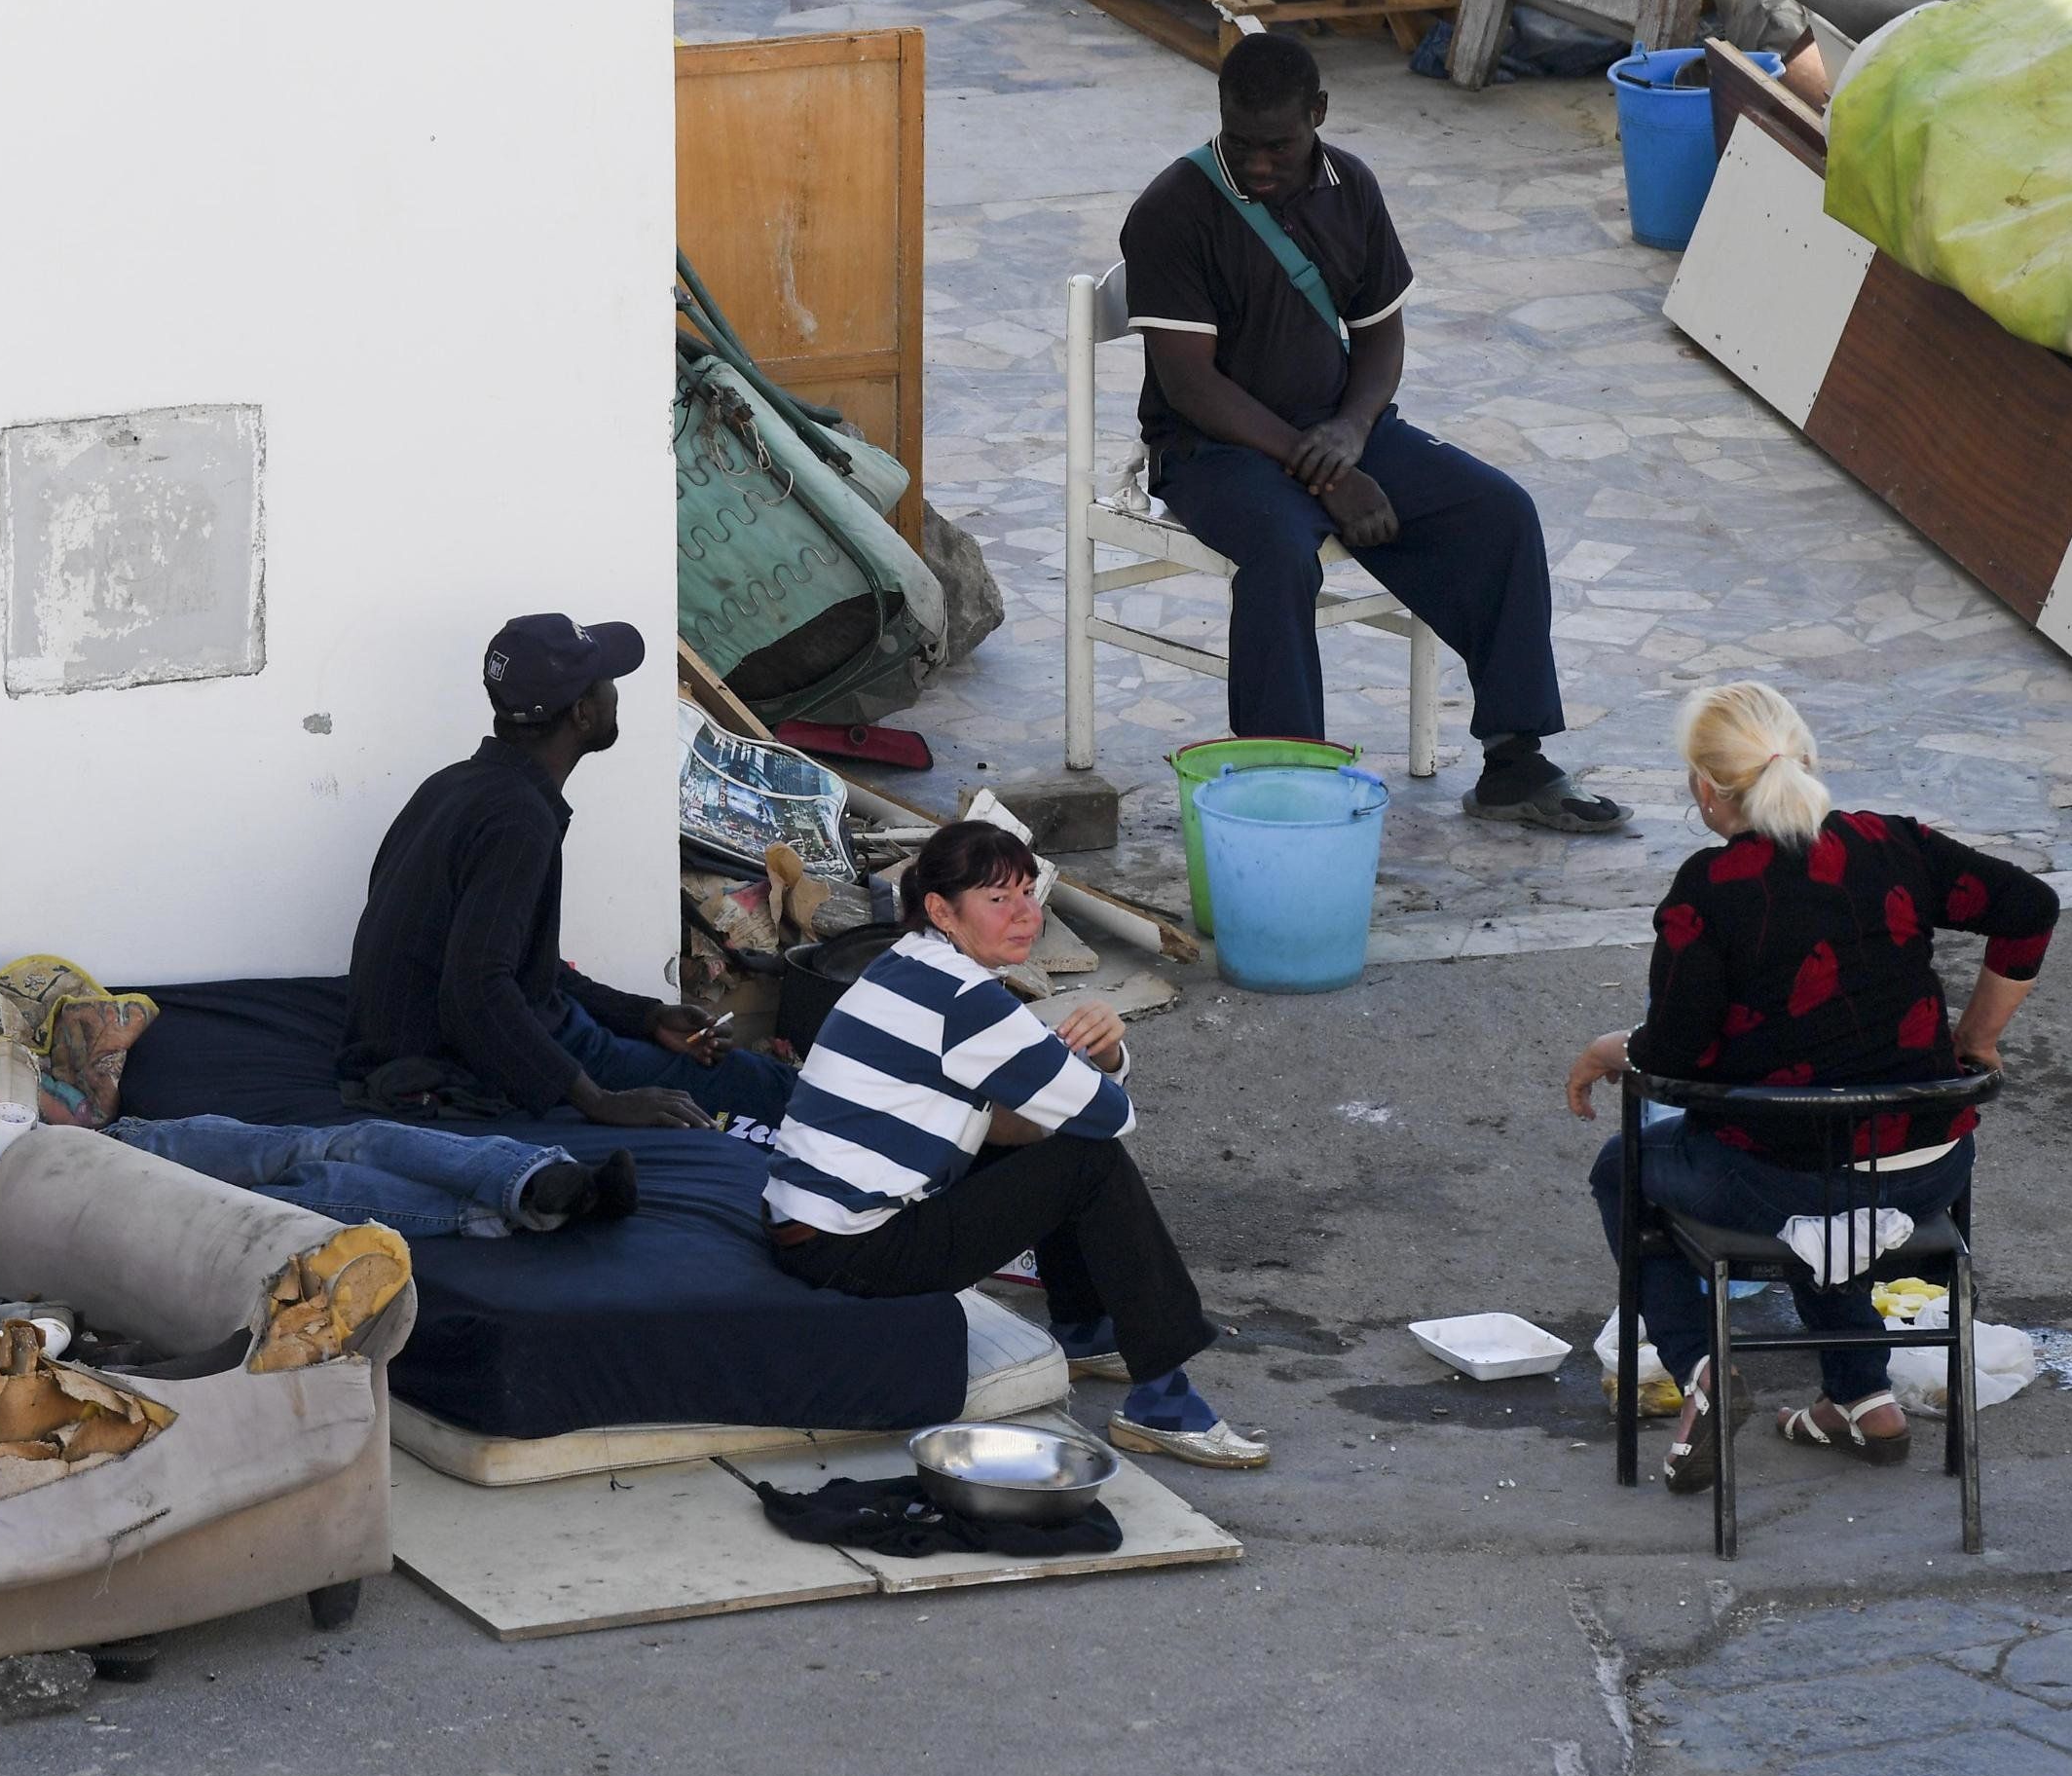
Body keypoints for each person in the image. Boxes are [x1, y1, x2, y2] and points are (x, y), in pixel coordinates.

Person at [1119, 31, 1628, 834]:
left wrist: (1353, 433)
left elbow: (1381, 334)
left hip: (1340, 428)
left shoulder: (1350, 184)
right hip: (1215, 451)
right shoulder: (1171, 211)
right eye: (1239, 142)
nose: (1256, 165)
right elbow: (1191, 385)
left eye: (1277, 146)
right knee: (1281, 554)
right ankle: (1283, 783)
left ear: (1318, 114)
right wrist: (1324, 470)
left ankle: (1513, 759)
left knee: (1499, 512)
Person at [1566, 683, 2055, 1491]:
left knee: (1626, 1168)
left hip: (1782, 1180)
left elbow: (1677, 1058)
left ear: (1703, 787)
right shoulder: (1893, 843)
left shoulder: (1709, 889)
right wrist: (1980, 1037)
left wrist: (1608, 1048)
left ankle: (1703, 1369)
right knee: (1835, 1174)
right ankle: (1863, 1394)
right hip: (1930, 1166)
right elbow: (2030, 905)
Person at [762, 821, 1267, 1469]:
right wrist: (1107, 1049)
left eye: (1029, 893)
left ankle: (1086, 1330)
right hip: (858, 1252)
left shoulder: (904, 964)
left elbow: (1011, 1122)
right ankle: (1162, 1399)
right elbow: (1111, 1116)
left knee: (1057, 1146)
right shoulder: (967, 1001)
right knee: (1089, 1161)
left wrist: (1067, 1073)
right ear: (942, 910)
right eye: (999, 901)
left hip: (808, 1234)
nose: (1027, 916)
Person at [343, 612, 798, 1128]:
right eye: (607, 681)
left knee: (727, 1071)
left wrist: (646, 1017)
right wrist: (599, 1100)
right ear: (582, 713)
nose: (615, 692)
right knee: (775, 1091)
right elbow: (475, 991)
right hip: (467, 1061)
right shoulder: (519, 821)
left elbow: (513, 965)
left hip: (484, 1034)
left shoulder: (451, 785)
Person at [102, 1113, 636, 1239]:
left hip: (86, 1152)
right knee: (323, 1179)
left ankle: (535, 1183)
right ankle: (529, 1189)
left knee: (349, 1146)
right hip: (92, 1172)